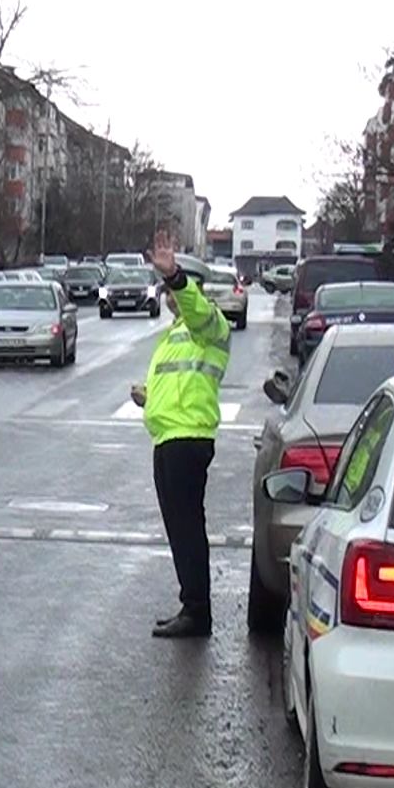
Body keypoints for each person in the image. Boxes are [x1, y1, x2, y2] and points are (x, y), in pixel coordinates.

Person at [130, 228, 231, 639]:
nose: (170, 296)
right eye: (167, 289)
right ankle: (190, 604)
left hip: (188, 440)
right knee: (179, 526)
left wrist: (176, 277)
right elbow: (181, 383)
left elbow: (194, 307)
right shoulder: (173, 335)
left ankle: (197, 612)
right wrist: (149, 396)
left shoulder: (210, 323)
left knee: (188, 526)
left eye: (175, 289)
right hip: (167, 437)